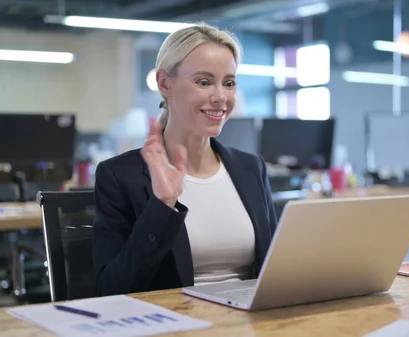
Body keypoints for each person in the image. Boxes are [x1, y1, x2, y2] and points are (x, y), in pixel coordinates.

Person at [93, 22, 278, 296]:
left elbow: (273, 269)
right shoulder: (120, 176)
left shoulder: (251, 168)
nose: (220, 97)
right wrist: (162, 206)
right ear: (165, 83)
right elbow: (111, 289)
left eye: (229, 83)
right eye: (203, 82)